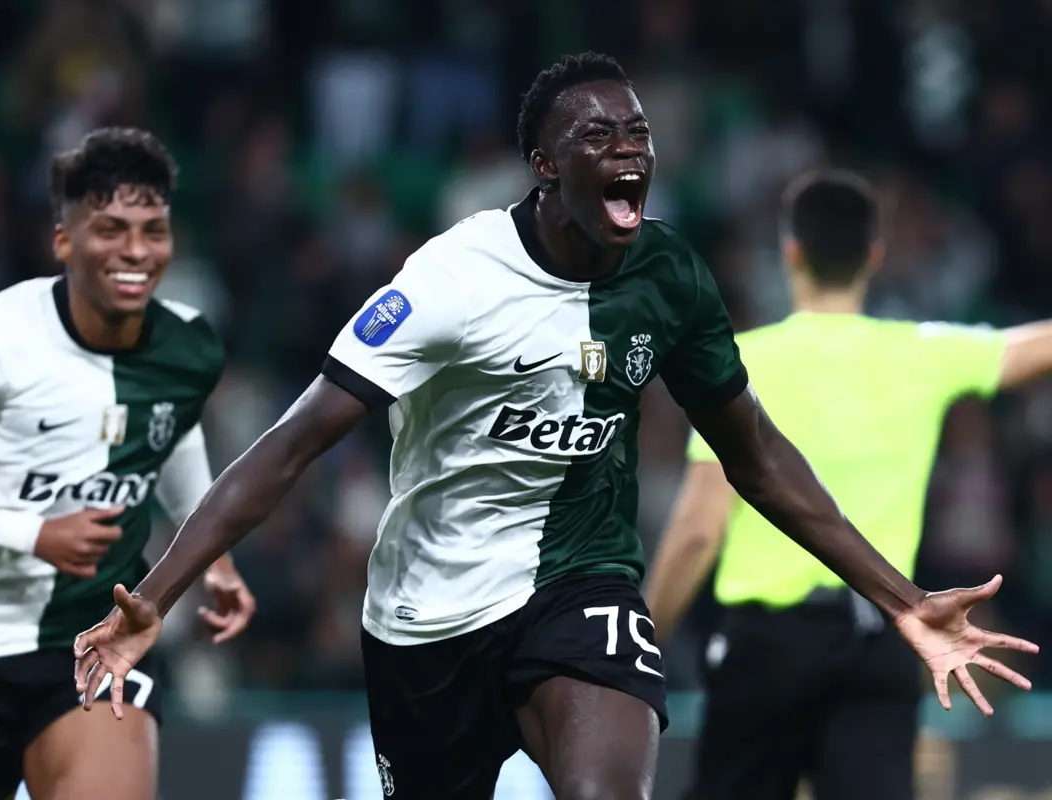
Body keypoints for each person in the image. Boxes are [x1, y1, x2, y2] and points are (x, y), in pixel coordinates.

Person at [73, 55, 1036, 800]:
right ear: (543, 164)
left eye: (639, 130)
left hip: (582, 580)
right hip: (426, 616)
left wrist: (902, 598)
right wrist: (156, 596)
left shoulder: (668, 278)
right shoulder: (451, 283)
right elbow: (289, 448)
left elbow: (755, 454)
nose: (629, 147)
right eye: (598, 133)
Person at [0, 128, 255, 800]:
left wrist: (209, 555)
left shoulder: (189, 345)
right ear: (64, 240)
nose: (135, 251)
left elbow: (174, 442)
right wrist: (34, 533)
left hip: (95, 640)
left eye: (152, 229)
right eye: (110, 228)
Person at [644, 168, 1052, 800]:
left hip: (763, 647)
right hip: (881, 637)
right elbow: (1033, 347)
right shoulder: (923, 353)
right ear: (873, 256)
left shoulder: (739, 361)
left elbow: (698, 530)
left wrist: (645, 642)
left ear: (790, 253)